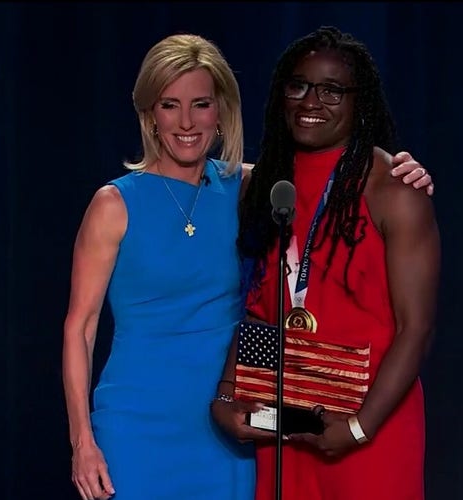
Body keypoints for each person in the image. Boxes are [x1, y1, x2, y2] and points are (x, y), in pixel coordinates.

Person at [62, 33, 434, 500]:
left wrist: (408, 169)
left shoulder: (251, 188)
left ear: (221, 111)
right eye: (169, 105)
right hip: (138, 422)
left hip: (234, 426)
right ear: (148, 114)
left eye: (200, 104)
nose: (185, 122)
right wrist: (82, 442)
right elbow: (80, 328)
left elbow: (337, 177)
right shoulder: (114, 204)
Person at [212, 26, 440, 500]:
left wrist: (359, 427)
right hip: (287, 424)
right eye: (298, 86)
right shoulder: (263, 189)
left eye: (331, 90)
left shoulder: (394, 190)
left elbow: (414, 328)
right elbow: (259, 309)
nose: (311, 102)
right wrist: (229, 396)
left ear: (361, 102)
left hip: (369, 424)